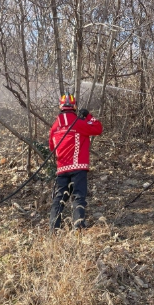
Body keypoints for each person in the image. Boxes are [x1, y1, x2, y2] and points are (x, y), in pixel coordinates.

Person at [49, 93, 103, 230]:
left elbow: (52, 147)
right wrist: (88, 116)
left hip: (61, 169)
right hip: (78, 168)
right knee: (78, 197)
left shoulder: (54, 127)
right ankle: (78, 227)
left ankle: (53, 229)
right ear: (74, 106)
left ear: (60, 106)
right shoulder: (79, 123)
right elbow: (98, 128)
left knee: (59, 199)